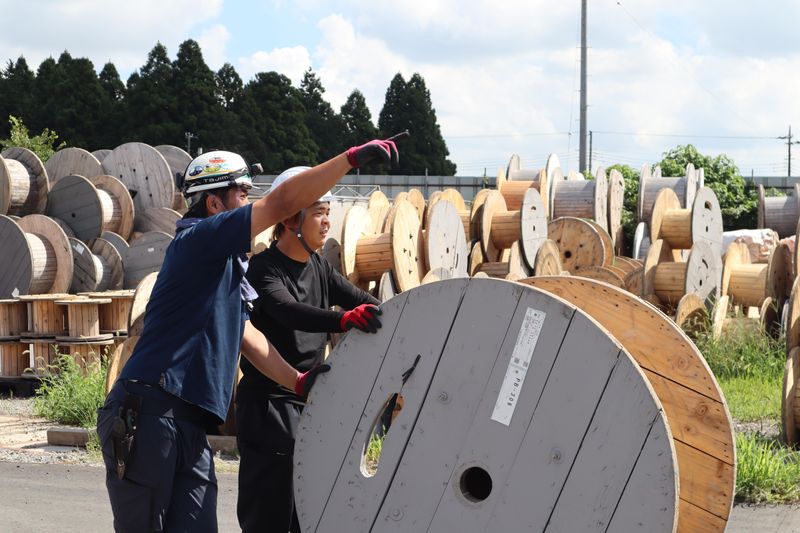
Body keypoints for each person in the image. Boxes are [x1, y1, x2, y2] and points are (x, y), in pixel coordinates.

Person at [96, 137, 401, 532]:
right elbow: (281, 203)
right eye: (242, 194)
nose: (250, 203)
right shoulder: (198, 241)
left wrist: (298, 381)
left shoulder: (224, 266)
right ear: (214, 204)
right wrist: (349, 159)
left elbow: (247, 336)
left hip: (188, 421)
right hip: (148, 413)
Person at [236, 167, 383, 532]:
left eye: (329, 212)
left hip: (310, 404)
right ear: (290, 219)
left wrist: (404, 316)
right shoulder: (263, 270)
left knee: (309, 514)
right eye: (319, 213)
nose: (327, 222)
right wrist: (342, 320)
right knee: (269, 518)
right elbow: (288, 311)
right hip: (269, 407)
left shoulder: (319, 266)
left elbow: (365, 302)